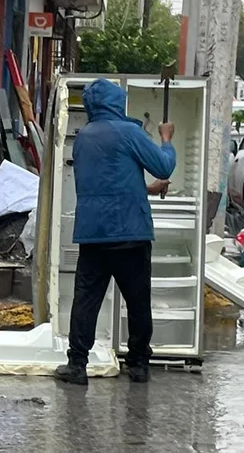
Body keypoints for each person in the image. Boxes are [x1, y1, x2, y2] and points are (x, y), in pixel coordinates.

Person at [55, 79, 176, 386]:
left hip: (94, 234)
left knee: (86, 301)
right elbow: (164, 166)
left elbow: (105, 185)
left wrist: (144, 189)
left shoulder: (83, 138)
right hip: (131, 233)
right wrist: (166, 139)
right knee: (137, 301)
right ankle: (138, 365)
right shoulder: (129, 132)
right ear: (116, 103)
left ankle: (77, 365)